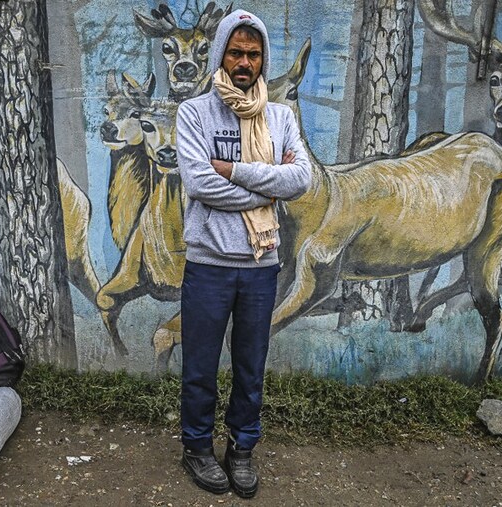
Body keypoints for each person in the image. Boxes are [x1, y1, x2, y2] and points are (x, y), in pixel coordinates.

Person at [175, 8, 312, 498]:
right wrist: (266, 186)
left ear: (263, 61)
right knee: (200, 365)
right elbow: (197, 182)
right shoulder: (194, 113)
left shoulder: (280, 117)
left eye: (253, 54)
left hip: (260, 264)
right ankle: (196, 447)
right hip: (209, 264)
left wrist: (232, 172)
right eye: (236, 52)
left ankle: (241, 448)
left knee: (251, 365)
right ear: (220, 55)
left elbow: (302, 179)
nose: (244, 62)